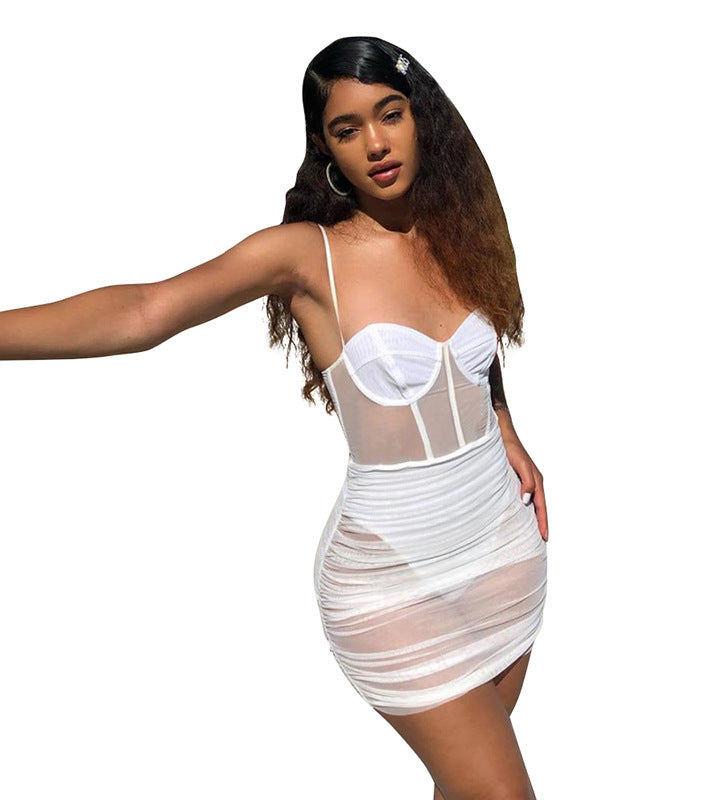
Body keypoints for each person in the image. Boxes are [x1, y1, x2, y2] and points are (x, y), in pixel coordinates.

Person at [0, 36, 549, 800]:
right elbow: (144, 310)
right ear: (324, 147)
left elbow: (474, 345)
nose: (376, 143)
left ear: (422, 116)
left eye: (390, 114)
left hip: (501, 553)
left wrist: (506, 426)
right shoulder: (304, 255)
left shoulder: (459, 226)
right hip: (392, 584)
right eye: (347, 128)